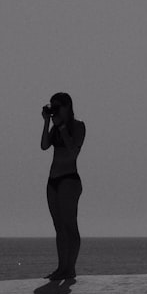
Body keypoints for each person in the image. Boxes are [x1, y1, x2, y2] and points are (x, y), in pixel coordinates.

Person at [40, 92, 86, 281]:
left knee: (70, 225)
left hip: (69, 179)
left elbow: (73, 151)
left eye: (57, 106)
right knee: (59, 226)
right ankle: (61, 267)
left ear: (67, 106)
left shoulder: (78, 126)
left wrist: (62, 127)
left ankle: (70, 267)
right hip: (53, 180)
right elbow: (44, 146)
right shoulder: (55, 127)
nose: (55, 109)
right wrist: (46, 122)